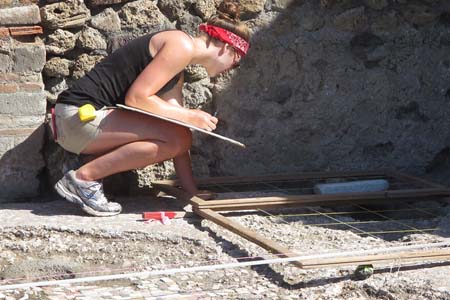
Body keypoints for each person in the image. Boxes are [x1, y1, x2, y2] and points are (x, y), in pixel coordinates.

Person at [52, 0, 251, 216]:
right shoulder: (180, 45)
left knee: (178, 136)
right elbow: (136, 98)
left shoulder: (178, 63)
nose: (232, 69)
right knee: (177, 136)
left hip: (78, 124)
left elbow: (178, 134)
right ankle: (83, 179)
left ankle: (87, 175)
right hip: (77, 118)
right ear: (228, 49)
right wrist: (190, 115)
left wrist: (192, 193)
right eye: (237, 63)